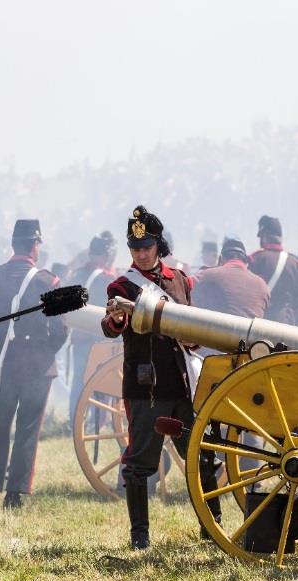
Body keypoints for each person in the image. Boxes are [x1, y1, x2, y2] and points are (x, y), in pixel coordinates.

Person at [102, 205, 207, 549]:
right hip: (145, 386)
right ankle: (140, 537)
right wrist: (116, 316)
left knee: (199, 456)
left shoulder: (178, 279)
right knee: (139, 463)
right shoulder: (121, 285)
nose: (141, 254)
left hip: (180, 383)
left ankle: (212, 528)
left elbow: (190, 328)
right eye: (135, 249)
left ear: (158, 247)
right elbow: (112, 326)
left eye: (147, 248)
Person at [0, 219, 68, 508]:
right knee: (28, 428)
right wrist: (45, 352)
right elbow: (60, 329)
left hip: (1, 361)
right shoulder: (48, 281)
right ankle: (15, 493)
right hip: (37, 365)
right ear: (35, 245)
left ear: (14, 244)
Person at [67, 231, 117, 425]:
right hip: (99, 340)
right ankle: (95, 423)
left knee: (79, 383)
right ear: (106, 256)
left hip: (79, 338)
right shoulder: (106, 279)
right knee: (99, 382)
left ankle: (75, 421)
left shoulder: (78, 274)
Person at [193, 235, 270, 322]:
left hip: (216, 334)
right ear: (246, 262)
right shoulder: (263, 286)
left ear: (221, 259)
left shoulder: (207, 275)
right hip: (249, 335)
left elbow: (184, 291)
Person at [248, 215, 298, 325]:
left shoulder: (255, 259)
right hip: (286, 322)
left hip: (260, 321)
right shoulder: (295, 262)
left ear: (264, 236)